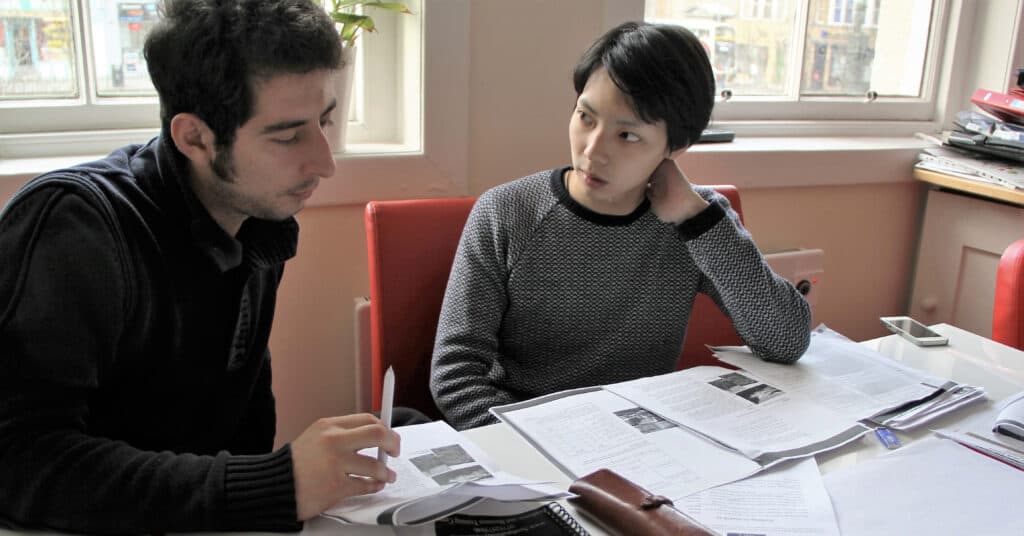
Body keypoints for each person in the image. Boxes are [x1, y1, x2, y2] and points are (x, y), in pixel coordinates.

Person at [0, 0, 424, 532]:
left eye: (327, 120)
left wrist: (286, 484)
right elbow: (19, 460)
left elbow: (240, 435)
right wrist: (274, 484)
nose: (326, 162)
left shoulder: (254, 219)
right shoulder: (76, 227)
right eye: (288, 135)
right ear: (194, 138)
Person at [430, 21, 812, 431]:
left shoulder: (698, 222)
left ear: (675, 148)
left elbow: (785, 341)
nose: (593, 151)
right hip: (530, 441)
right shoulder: (507, 213)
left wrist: (696, 219)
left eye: (627, 135)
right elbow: (456, 372)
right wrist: (533, 448)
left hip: (645, 442)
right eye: (585, 117)